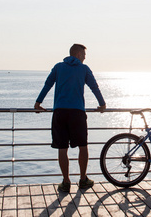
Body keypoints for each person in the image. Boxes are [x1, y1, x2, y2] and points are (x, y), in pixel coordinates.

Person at [34, 44, 106, 193]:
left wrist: (38, 102)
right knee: (83, 146)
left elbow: (47, 84)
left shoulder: (58, 67)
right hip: (77, 113)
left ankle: (66, 182)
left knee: (62, 148)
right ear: (78, 54)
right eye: (84, 54)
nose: (85, 58)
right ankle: (83, 179)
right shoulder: (84, 69)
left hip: (60, 112)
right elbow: (94, 87)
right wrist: (102, 104)